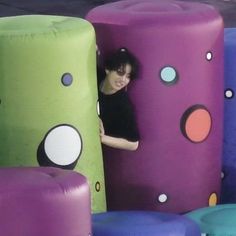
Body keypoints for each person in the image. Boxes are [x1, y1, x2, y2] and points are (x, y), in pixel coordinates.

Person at [98, 48, 140, 151]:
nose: (123, 80)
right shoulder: (95, 75)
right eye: (120, 72)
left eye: (128, 76)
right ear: (108, 69)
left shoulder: (123, 105)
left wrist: (102, 138)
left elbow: (133, 144)